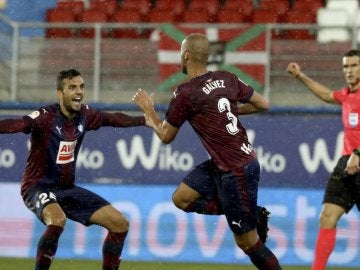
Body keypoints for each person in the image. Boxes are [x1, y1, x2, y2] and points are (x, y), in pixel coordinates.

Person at [133, 33, 282, 269]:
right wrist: (225, 109)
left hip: (236, 169)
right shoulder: (227, 79)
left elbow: (165, 137)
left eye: (181, 54)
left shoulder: (185, 93)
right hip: (227, 163)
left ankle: (245, 214)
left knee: (248, 244)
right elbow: (263, 103)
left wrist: (149, 111)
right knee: (181, 198)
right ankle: (246, 211)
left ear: (187, 55)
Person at [0, 69, 146, 270]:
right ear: (59, 94)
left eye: (81, 87)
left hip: (66, 189)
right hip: (37, 187)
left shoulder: (85, 116)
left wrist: (145, 120)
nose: (78, 92)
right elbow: (19, 123)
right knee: (57, 219)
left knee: (119, 223)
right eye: (72, 87)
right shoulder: (45, 117)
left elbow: (114, 119)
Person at [287, 49, 360, 270]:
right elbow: (326, 95)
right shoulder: (347, 95)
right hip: (347, 163)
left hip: (356, 158)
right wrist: (301, 76)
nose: (349, 70)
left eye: (354, 65)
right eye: (346, 66)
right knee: (327, 216)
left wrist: (358, 154)